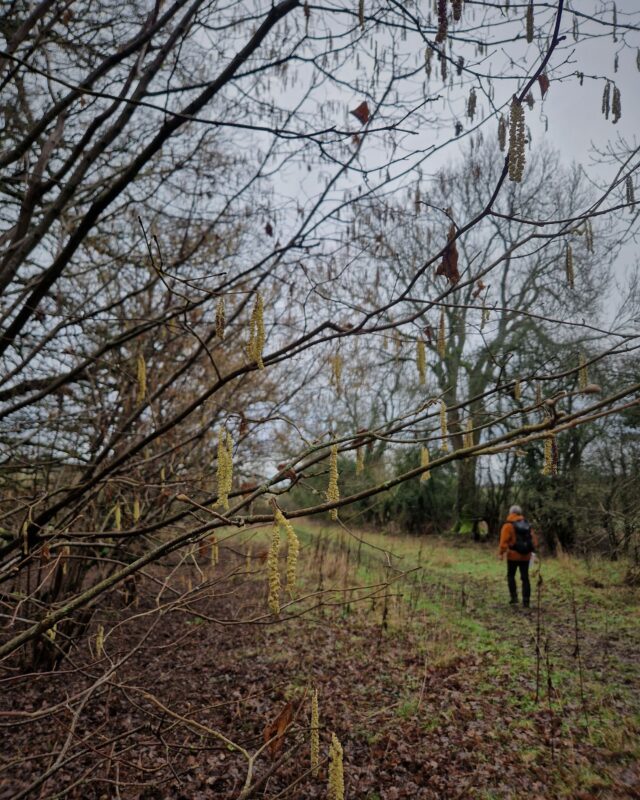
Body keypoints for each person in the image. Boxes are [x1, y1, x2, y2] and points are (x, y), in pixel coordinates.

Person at [498, 505, 538, 607]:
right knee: (525, 578)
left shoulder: (508, 525)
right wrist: (532, 552)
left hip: (512, 556)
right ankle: (526, 601)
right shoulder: (527, 524)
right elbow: (534, 541)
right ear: (520, 513)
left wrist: (501, 553)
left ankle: (514, 598)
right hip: (526, 556)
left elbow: (503, 542)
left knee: (511, 576)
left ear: (510, 513)